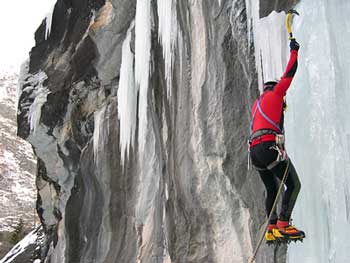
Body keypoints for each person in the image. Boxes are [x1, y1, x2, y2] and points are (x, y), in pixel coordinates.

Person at [249, 38, 305, 242]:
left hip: (255, 153)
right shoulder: (276, 93)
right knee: (294, 184)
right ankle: (283, 223)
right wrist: (294, 51)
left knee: (272, 187)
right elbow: (290, 73)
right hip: (268, 146)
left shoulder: (257, 104)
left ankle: (271, 228)